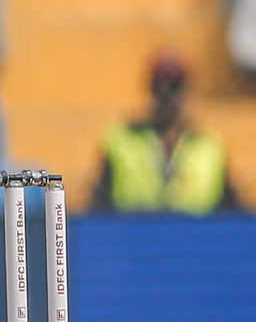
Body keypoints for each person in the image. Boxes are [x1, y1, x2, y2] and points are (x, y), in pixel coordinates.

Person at [90, 55, 239, 215]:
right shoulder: (122, 141)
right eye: (158, 87)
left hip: (195, 238)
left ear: (185, 92)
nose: (166, 94)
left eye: (174, 87)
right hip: (135, 235)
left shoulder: (209, 147)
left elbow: (233, 211)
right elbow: (99, 206)